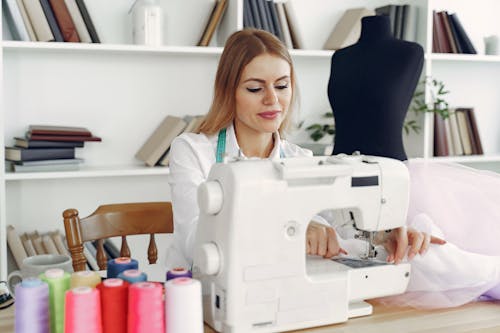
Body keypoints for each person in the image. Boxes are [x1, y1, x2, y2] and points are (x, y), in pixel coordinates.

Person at [166, 28, 439, 273]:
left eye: (282, 86)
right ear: (229, 91)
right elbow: (194, 243)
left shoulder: (300, 161)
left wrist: (383, 236)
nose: (272, 99)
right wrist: (292, 229)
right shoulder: (192, 151)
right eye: (254, 88)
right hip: (197, 297)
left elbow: (342, 225)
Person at [327, 15, 500, 308]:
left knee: (424, 259)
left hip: (393, 175)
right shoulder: (340, 57)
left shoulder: (410, 53)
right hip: (340, 173)